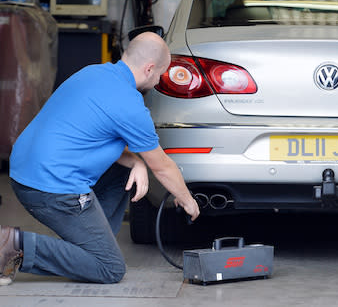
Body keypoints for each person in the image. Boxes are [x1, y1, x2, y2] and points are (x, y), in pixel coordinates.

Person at [0, 31, 200, 285]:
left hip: (24, 173)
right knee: (109, 268)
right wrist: (188, 200)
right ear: (150, 69)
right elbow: (162, 167)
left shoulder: (93, 73)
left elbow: (88, 136)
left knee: (125, 174)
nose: (160, 80)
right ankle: (14, 245)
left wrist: (136, 162)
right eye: (161, 73)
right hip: (50, 188)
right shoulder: (129, 105)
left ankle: (91, 246)